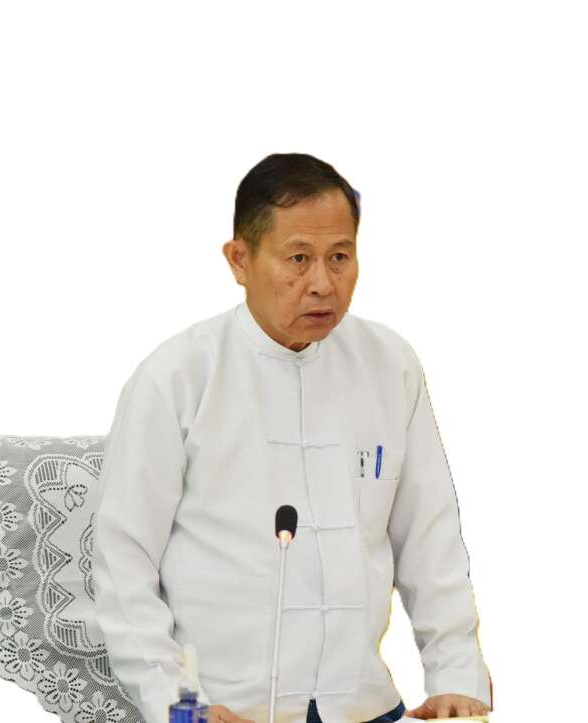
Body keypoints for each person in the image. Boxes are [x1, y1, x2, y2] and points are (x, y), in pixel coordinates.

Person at [92, 153, 493, 723]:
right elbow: (122, 559)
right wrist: (175, 703)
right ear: (239, 260)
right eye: (299, 259)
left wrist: (455, 677)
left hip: (362, 705)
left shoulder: (389, 364)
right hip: (227, 709)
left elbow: (431, 538)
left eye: (340, 257)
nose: (323, 284)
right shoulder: (177, 377)